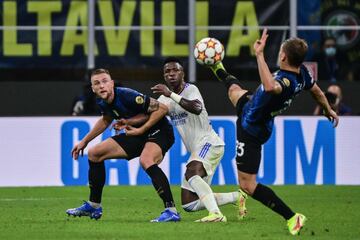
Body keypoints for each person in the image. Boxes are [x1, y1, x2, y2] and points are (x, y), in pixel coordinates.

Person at [206, 29, 339, 234]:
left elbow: (269, 87)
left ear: (283, 56)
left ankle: (292, 217)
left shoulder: (285, 82)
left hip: (252, 128)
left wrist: (259, 54)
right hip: (251, 105)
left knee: (247, 185)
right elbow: (316, 91)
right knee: (233, 90)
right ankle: (216, 64)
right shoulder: (303, 73)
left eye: (280, 51)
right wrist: (327, 108)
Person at [66, 68, 180, 222]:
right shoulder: (102, 102)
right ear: (93, 88)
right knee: (94, 154)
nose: (101, 86)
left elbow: (162, 108)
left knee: (146, 160)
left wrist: (141, 129)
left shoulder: (127, 95)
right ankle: (94, 205)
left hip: (160, 131)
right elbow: (106, 119)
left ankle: (171, 211)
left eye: (105, 81)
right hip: (137, 133)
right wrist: (84, 141)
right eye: (97, 83)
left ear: (112, 83)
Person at [147, 57, 242, 222]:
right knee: (189, 204)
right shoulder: (163, 100)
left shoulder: (191, 89)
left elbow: (197, 108)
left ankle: (216, 215)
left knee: (192, 172)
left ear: (182, 73)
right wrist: (128, 122)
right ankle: (236, 197)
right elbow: (148, 115)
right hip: (197, 148)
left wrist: (170, 94)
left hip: (209, 142)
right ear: (164, 76)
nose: (171, 74)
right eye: (167, 71)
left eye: (175, 70)